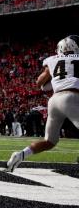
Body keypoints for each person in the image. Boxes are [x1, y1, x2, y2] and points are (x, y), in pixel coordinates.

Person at [7, 36, 79, 172]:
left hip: (54, 100)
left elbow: (40, 82)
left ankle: (20, 155)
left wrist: (51, 82)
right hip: (71, 97)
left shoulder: (52, 60)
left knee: (49, 141)